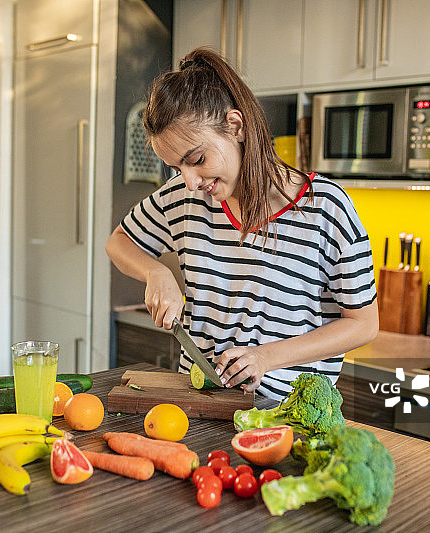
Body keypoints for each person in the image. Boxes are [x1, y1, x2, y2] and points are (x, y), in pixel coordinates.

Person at [105, 48, 379, 400]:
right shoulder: (184, 197)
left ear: (235, 126)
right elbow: (119, 242)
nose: (190, 181)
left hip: (287, 414)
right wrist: (156, 273)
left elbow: (364, 323)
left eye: (197, 159)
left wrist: (266, 357)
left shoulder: (326, 208)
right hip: (199, 403)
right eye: (177, 169)